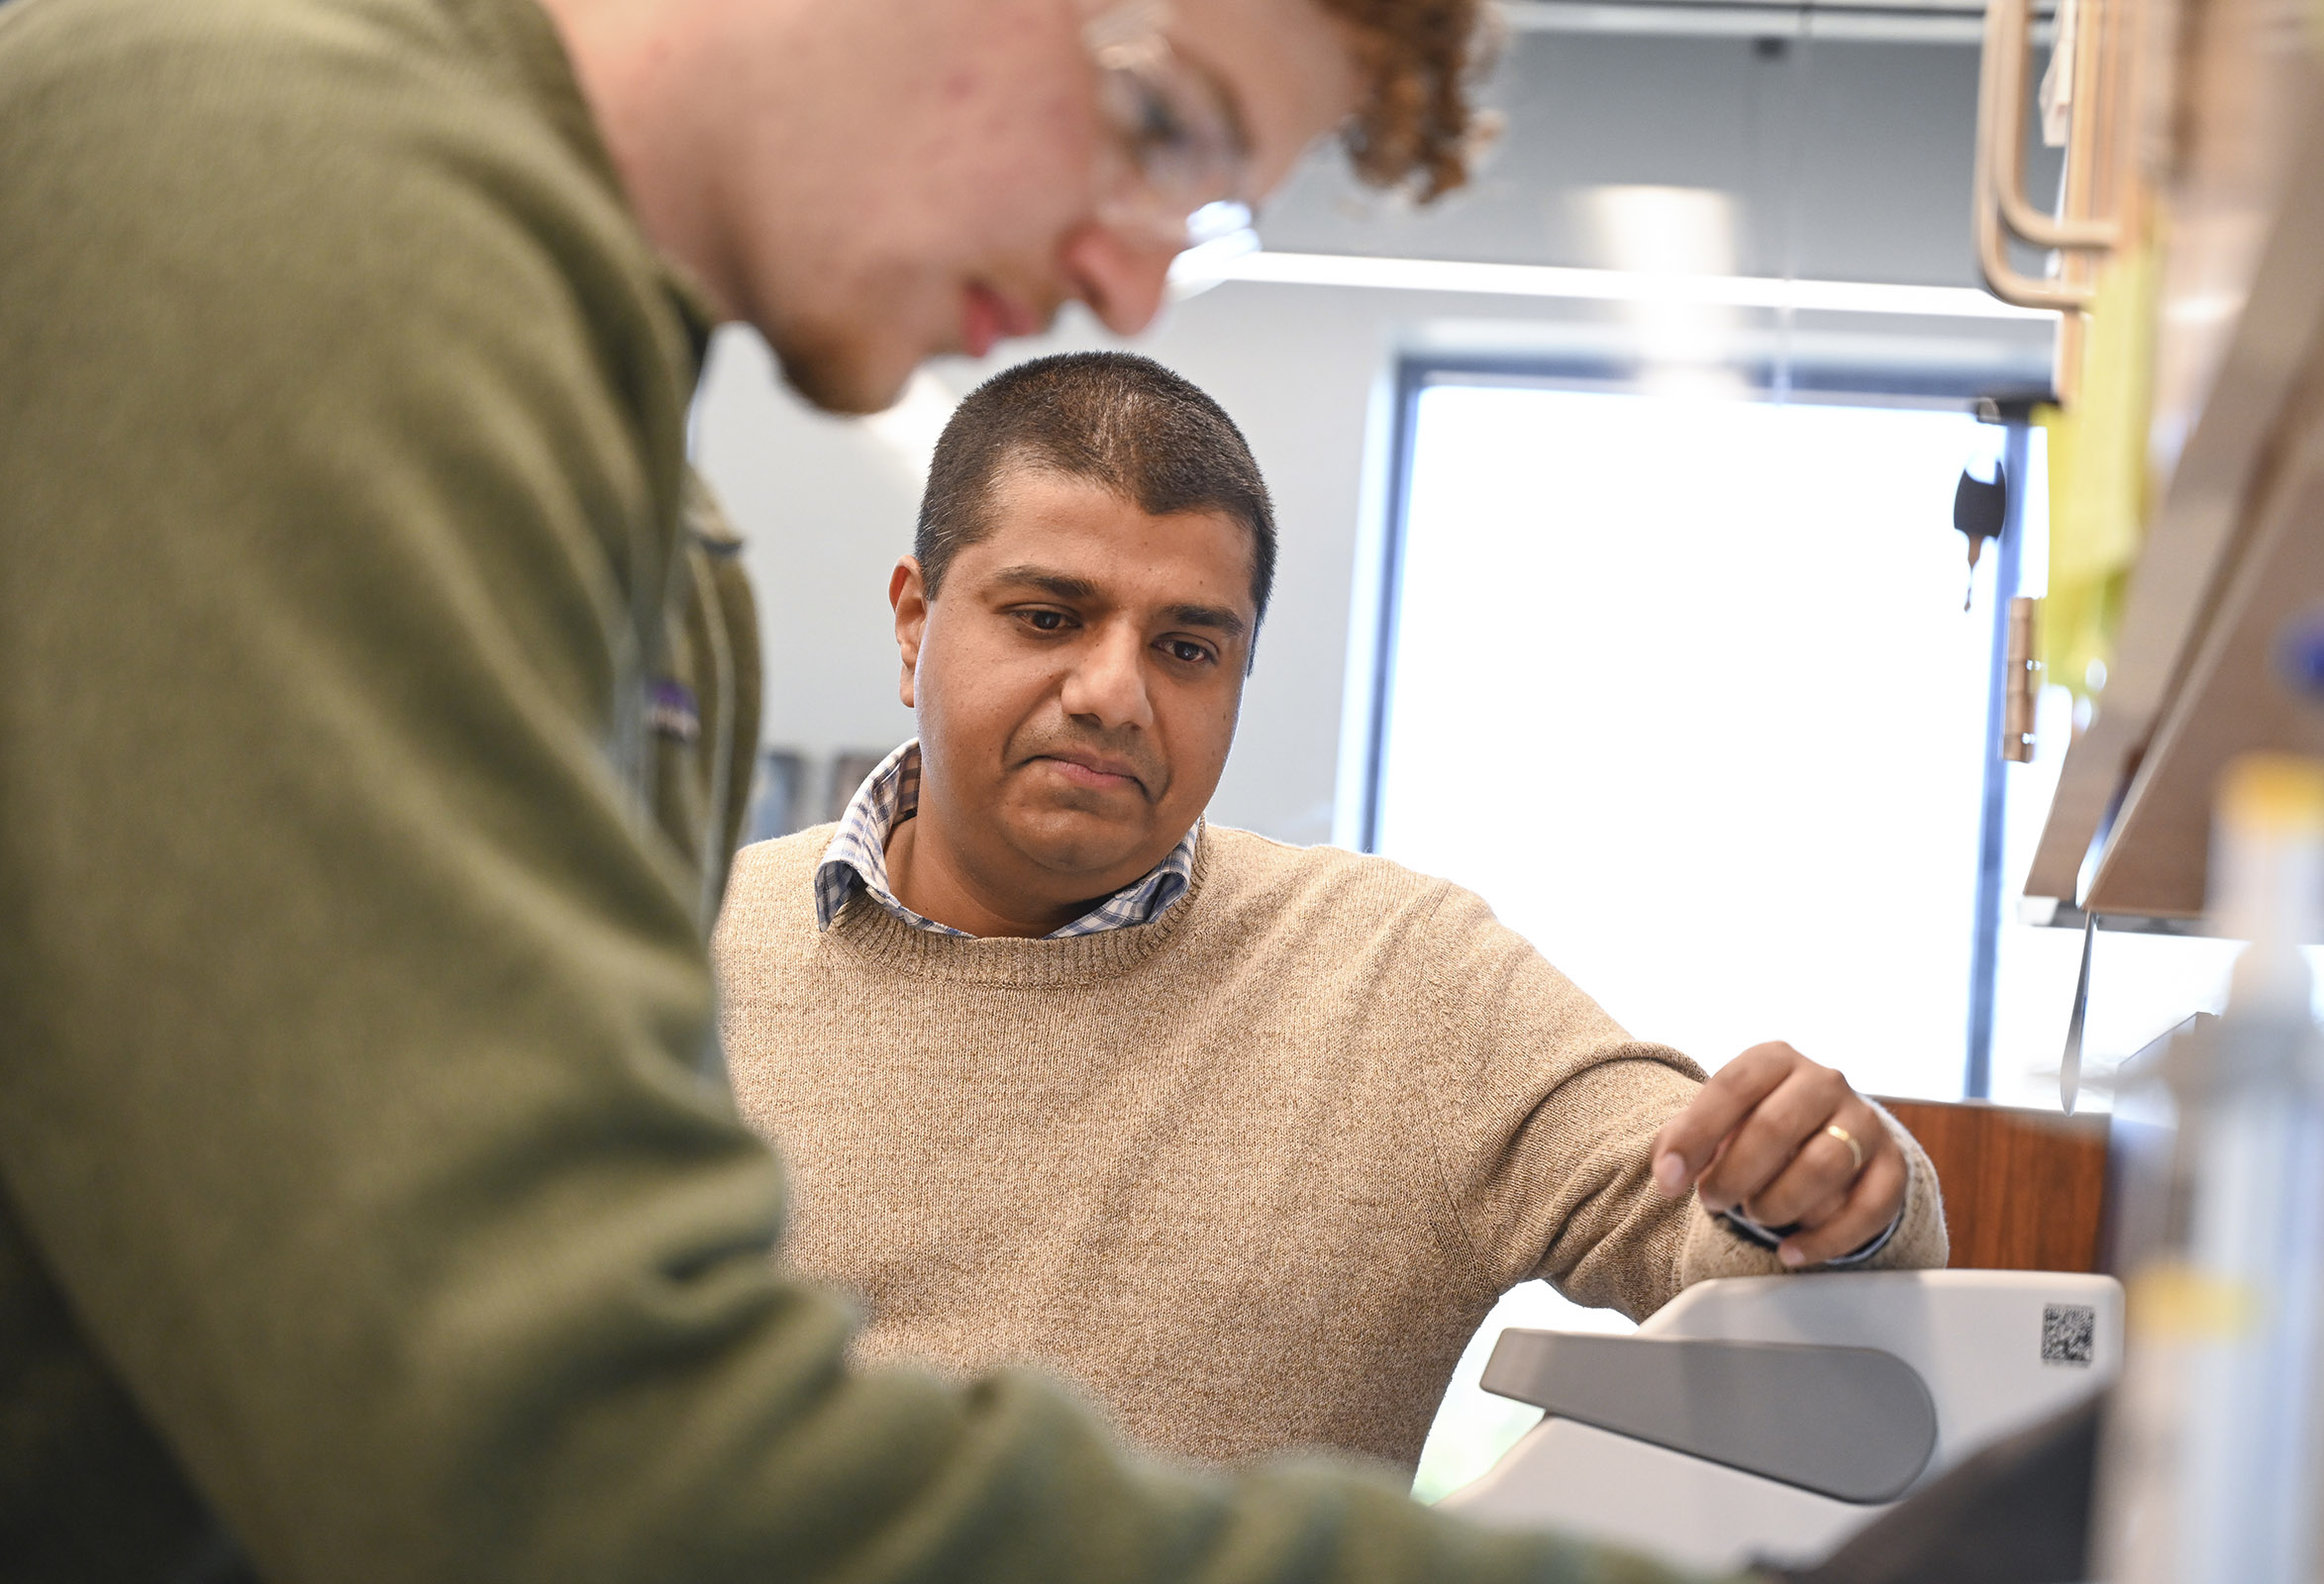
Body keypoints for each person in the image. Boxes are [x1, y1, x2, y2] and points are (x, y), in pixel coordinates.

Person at [0, 0, 1777, 1578]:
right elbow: (552, 1444)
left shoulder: (647, 503)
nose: (1130, 283)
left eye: (1201, 208)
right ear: (919, 624)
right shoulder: (301, 212)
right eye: (1159, 123)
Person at [714, 350, 1950, 1470]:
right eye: (1050, 617)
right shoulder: (677, 949)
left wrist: (1839, 1188)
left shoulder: (1401, 980)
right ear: (916, 622)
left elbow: (1712, 1237)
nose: (1112, 693)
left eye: (1188, 647)